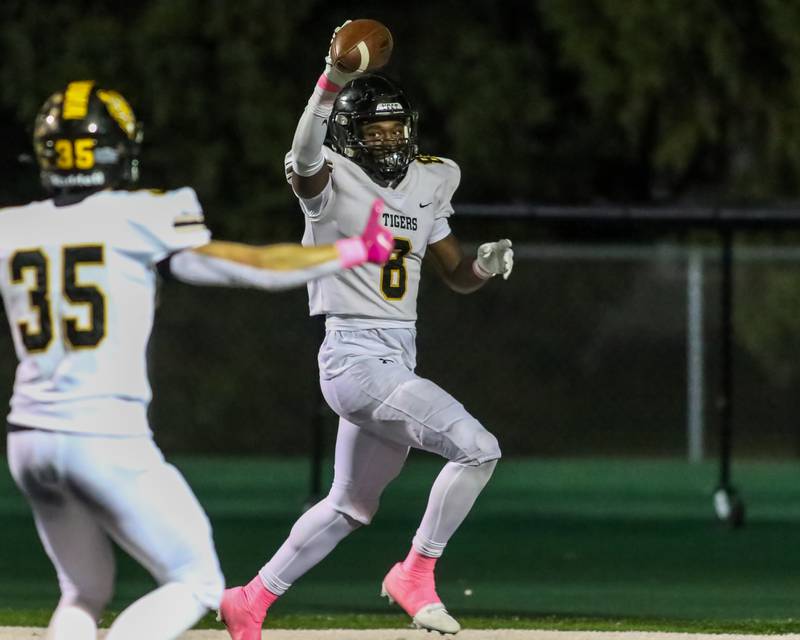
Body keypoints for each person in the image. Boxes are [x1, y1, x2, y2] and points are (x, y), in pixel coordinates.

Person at [0, 80, 393, 640]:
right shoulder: (140, 214)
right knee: (197, 582)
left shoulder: (13, 226)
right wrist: (356, 250)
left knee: (83, 594)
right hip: (103, 433)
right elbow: (251, 265)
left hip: (27, 439)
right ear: (119, 151)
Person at [219, 23, 514, 638]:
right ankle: (416, 571)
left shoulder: (433, 178)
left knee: (350, 505)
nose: (385, 139)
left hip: (394, 360)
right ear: (348, 136)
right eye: (372, 130)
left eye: (393, 128)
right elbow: (302, 157)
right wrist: (331, 81)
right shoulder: (329, 181)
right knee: (478, 447)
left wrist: (481, 265)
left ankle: (250, 600)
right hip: (353, 358)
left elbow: (454, 273)